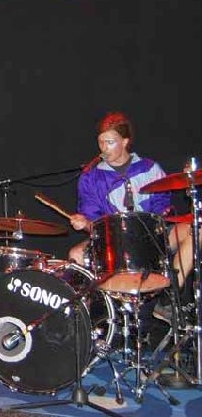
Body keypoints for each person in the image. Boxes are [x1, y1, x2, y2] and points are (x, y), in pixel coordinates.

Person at [67, 111, 194, 322]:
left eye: (110, 142)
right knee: (76, 254)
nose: (104, 148)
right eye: (101, 142)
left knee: (195, 230)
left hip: (152, 237)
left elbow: (162, 206)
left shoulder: (149, 169)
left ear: (125, 141)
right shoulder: (91, 177)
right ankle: (90, 320)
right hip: (114, 240)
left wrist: (152, 222)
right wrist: (86, 223)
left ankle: (168, 299)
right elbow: (95, 221)